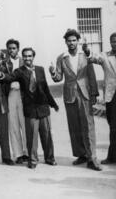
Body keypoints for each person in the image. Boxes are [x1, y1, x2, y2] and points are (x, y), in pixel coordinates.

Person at [49, 29, 101, 171]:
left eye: (74, 40)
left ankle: (92, 158)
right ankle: (81, 154)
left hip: (85, 93)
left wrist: (94, 93)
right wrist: (53, 72)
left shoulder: (85, 55)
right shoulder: (62, 58)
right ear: (65, 42)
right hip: (70, 95)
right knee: (75, 126)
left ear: (77, 41)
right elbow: (59, 78)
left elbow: (91, 73)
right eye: (69, 40)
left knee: (88, 125)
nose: (71, 43)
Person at [0, 48, 58, 169]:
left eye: (30, 56)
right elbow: (9, 78)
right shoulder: (19, 71)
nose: (27, 58)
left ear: (33, 57)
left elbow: (45, 88)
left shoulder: (40, 69)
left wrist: (53, 103)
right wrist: (0, 75)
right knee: (31, 136)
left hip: (43, 107)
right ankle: (33, 160)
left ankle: (50, 158)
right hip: (30, 109)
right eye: (25, 56)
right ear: (23, 57)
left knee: (46, 134)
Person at [82, 32, 116, 164]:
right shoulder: (105, 56)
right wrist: (87, 50)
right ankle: (112, 157)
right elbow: (92, 58)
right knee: (113, 127)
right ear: (110, 42)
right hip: (111, 96)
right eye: (113, 41)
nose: (115, 43)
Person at [0, 39, 28, 164]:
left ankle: (28, 152)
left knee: (25, 123)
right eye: (9, 48)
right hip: (10, 95)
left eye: (14, 48)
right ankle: (18, 154)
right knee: (13, 125)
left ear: (18, 49)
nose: (12, 50)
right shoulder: (4, 63)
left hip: (23, 95)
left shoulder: (24, 61)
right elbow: (1, 79)